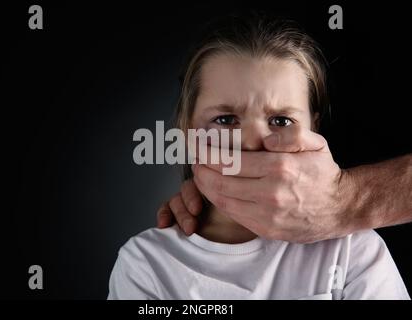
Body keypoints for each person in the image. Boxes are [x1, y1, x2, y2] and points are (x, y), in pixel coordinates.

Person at [108, 12, 410, 299]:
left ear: (314, 132)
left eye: (281, 121)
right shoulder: (146, 264)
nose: (252, 144)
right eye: (225, 120)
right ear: (187, 132)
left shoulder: (351, 251)